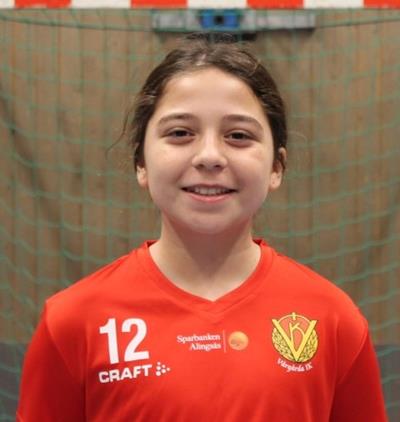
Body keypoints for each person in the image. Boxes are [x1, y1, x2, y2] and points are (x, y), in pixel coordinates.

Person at [17, 34, 387, 422]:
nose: (209, 156)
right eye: (180, 133)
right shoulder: (72, 322)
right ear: (141, 162)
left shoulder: (334, 319)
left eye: (238, 136)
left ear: (276, 167)